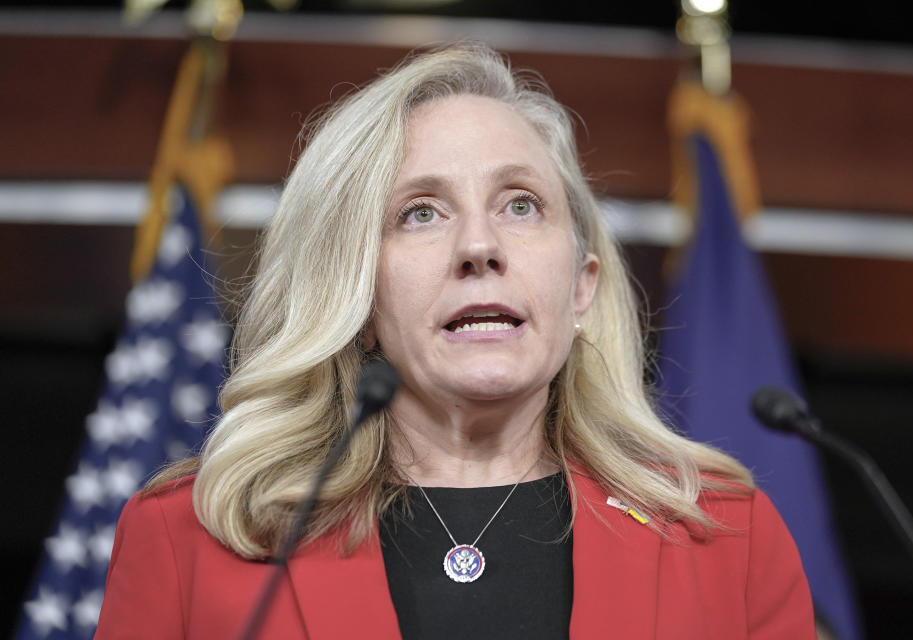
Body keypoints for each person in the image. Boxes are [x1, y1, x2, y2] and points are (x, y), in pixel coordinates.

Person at [95, 43, 816, 639]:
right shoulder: (189, 541)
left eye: (521, 204)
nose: (479, 245)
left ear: (581, 286)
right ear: (356, 293)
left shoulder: (728, 540)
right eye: (421, 212)